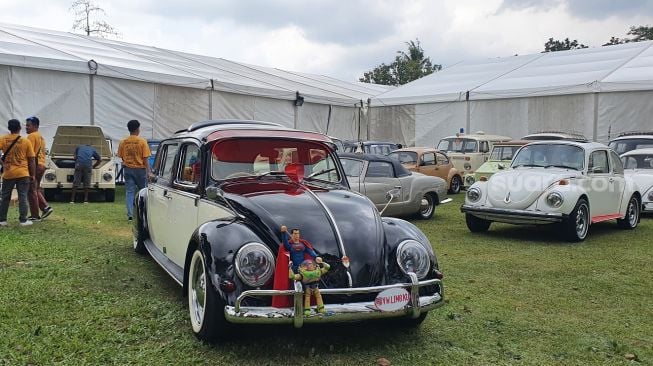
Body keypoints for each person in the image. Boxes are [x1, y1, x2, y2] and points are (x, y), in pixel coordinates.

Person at [0, 119, 36, 227]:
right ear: (19, 128)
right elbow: (32, 159)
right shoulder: (26, 141)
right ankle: (23, 220)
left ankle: (2, 220)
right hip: (23, 173)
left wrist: (2, 163)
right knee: (23, 196)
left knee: (5, 197)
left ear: (9, 128)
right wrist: (33, 174)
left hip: (8, 173)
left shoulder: (3, 139)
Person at [117, 120, 151, 221]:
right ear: (137, 129)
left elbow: (121, 156)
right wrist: (148, 171)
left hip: (128, 169)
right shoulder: (142, 141)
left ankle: (130, 214)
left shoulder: (123, 141)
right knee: (142, 191)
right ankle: (142, 213)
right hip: (140, 170)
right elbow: (145, 158)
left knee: (129, 192)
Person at [25, 116, 53, 221]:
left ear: (35, 126)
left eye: (28, 125)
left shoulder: (31, 136)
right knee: (35, 188)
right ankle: (45, 207)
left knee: (31, 190)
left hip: (35, 165)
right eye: (26, 125)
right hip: (41, 165)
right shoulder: (40, 136)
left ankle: (35, 215)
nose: (26, 127)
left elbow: (29, 154)